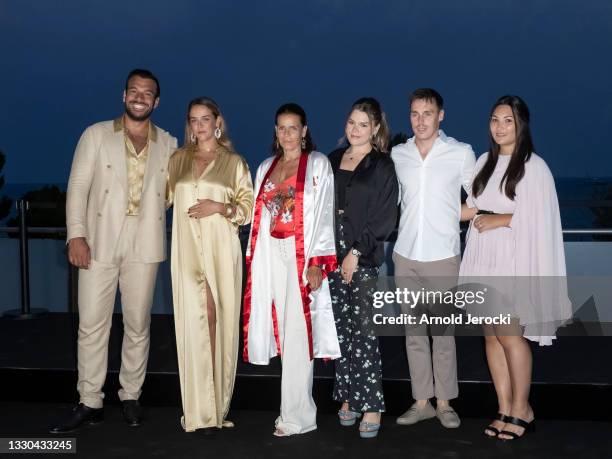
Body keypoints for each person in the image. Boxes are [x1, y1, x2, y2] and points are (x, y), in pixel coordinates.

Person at [51, 69, 177, 433]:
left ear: (156, 101)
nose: (140, 97)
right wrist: (76, 235)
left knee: (139, 324)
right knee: (92, 324)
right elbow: (77, 187)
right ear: (124, 96)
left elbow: (173, 192)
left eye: (148, 93)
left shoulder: (168, 144)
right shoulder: (96, 135)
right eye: (134, 91)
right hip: (99, 240)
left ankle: (130, 395)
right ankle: (90, 400)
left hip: (145, 242)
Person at [459, 95, 572, 440]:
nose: (500, 127)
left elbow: (541, 218)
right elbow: (469, 209)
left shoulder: (533, 167)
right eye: (495, 119)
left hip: (513, 260)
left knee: (510, 335)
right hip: (483, 258)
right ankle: (504, 406)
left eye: (507, 120)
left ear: (521, 124)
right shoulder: (483, 162)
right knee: (491, 338)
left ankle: (523, 408)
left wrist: (498, 219)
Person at [243, 103, 340, 437]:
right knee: (285, 334)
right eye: (281, 128)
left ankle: (296, 416)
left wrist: (317, 263)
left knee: (299, 334)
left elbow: (325, 214)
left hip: (302, 256)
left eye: (293, 127)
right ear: (276, 132)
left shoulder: (317, 164)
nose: (287, 134)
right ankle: (296, 411)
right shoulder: (265, 167)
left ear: (304, 130)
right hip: (272, 255)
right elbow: (260, 218)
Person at [167, 97, 253, 433]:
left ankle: (217, 405)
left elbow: (246, 209)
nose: (199, 126)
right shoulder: (177, 160)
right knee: (195, 318)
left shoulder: (234, 162)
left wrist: (220, 206)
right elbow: (156, 198)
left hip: (221, 247)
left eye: (205, 119)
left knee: (218, 317)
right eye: (193, 120)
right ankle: (199, 408)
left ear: (218, 121)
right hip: (187, 249)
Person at [391, 88, 476, 429]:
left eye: (427, 113)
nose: (420, 120)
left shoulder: (460, 153)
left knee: (442, 334)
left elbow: (479, 198)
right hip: (405, 255)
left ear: (441, 115)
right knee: (413, 334)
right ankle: (421, 401)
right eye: (414, 113)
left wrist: (447, 216)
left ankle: (445, 402)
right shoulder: (399, 154)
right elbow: (392, 202)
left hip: (443, 256)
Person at [327, 97, 398, 438]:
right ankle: (349, 398)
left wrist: (355, 252)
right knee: (341, 333)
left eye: (363, 124)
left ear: (375, 129)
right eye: (351, 122)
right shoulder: (330, 160)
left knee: (365, 332)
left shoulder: (382, 165)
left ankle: (371, 404)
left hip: (363, 256)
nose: (355, 129)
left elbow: (385, 217)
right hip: (331, 256)